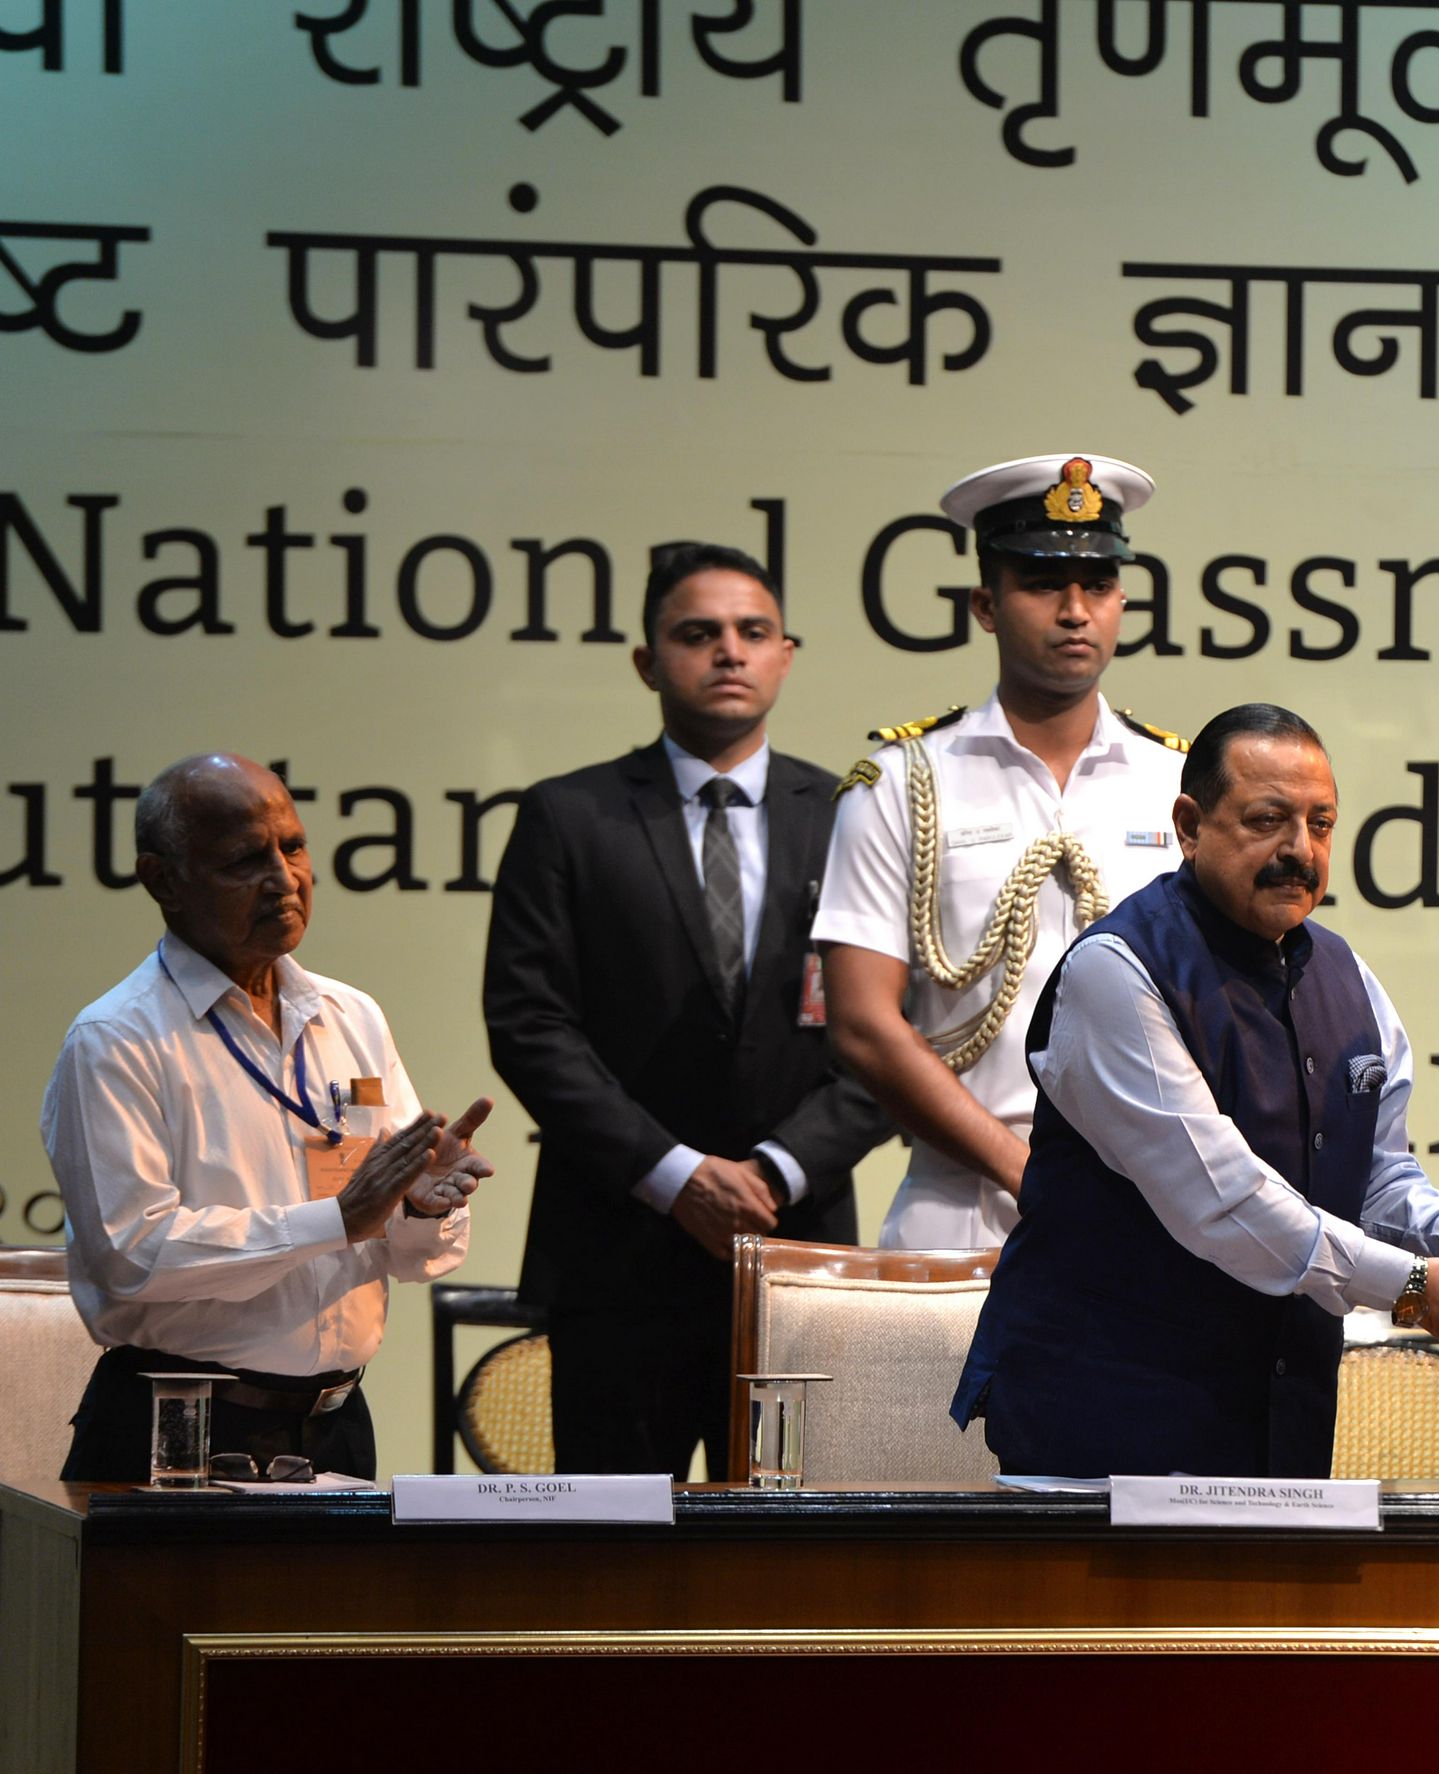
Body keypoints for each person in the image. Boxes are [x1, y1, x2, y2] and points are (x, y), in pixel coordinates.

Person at [952, 704, 1439, 1478]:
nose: (1299, 849)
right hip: (1104, 1430)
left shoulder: (1349, 978)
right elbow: (1222, 1202)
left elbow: (1376, 1185)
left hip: (1281, 1431)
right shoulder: (1117, 970)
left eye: (1320, 824)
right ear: (1190, 826)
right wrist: (1413, 1287)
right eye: (1268, 819)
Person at [484, 543, 890, 1479]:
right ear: (647, 661)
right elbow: (529, 1023)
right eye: (698, 633)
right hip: (619, 1256)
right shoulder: (568, 815)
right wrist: (677, 1176)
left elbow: (894, 1031)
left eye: (753, 632)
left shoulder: (853, 815)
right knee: (618, 1557)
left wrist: (776, 1171)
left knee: (794, 1554)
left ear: (786, 654)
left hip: (796, 1253)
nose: (729, 651)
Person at [43, 754, 494, 1483]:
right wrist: (335, 1219)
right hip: (180, 1431)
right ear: (163, 880)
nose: (284, 878)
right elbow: (132, 1254)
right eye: (244, 860)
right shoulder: (116, 1039)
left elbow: (414, 1257)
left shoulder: (351, 1016)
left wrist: (418, 1205)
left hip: (337, 1428)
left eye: (293, 847)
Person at [815, 454, 1187, 1252]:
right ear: (985, 604)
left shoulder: (1180, 781)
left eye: (1099, 584)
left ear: (1123, 601)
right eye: (1044, 583)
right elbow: (862, 1023)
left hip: (1157, 1207)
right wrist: (1028, 1172)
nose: (1076, 611)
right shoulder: (902, 780)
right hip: (964, 1206)